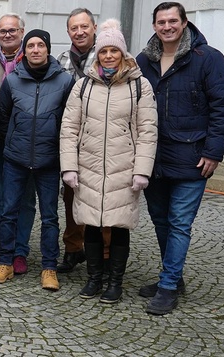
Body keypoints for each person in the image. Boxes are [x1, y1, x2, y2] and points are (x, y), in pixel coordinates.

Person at [135, 2, 224, 315]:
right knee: (161, 220)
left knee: (180, 222)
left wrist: (213, 151)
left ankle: (168, 286)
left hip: (193, 157)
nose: (167, 26)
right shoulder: (143, 60)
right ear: (154, 25)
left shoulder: (207, 58)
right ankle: (173, 275)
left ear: (184, 23)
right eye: (161, 22)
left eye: (173, 21)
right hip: (153, 157)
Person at [60, 19, 158, 304]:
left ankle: (115, 282)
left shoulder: (140, 86)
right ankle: (94, 278)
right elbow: (69, 128)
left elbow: (148, 131)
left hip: (123, 169)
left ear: (123, 53)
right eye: (104, 51)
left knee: (118, 226)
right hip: (89, 167)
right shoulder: (83, 86)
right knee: (90, 224)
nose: (109, 56)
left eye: (114, 51)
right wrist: (69, 166)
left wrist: (142, 171)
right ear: (98, 54)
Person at [0, 29, 74, 291]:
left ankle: (49, 267)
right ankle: (5, 262)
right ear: (25, 50)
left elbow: (69, 120)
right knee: (9, 212)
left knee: (50, 217)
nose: (36, 50)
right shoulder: (13, 81)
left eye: (40, 45)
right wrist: (14, 141)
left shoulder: (64, 81)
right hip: (16, 158)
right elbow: (2, 117)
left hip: (49, 160)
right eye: (31, 46)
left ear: (48, 49)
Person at [0, 13, 36, 274]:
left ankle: (20, 251)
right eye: (3, 31)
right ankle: (5, 250)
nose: (8, 34)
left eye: (12, 30)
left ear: (22, 32)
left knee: (25, 199)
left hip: (28, 140)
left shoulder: (35, 58)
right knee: (1, 198)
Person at [55, 8, 99, 274]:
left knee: (100, 198)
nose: (80, 32)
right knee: (70, 196)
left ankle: (102, 256)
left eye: (84, 26)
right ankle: (73, 249)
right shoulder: (61, 60)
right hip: (70, 138)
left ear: (94, 27)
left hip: (101, 140)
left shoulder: (108, 55)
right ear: (69, 31)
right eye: (74, 28)